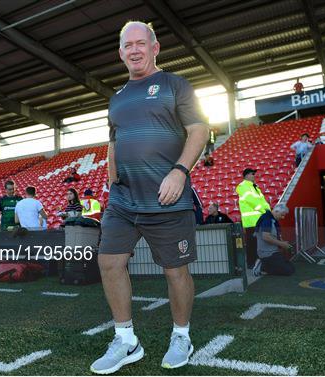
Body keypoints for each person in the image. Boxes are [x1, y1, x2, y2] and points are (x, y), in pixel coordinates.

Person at [91, 21, 209, 374]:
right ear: (121, 52)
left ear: (155, 47)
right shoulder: (117, 97)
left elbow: (199, 129)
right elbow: (113, 142)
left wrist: (179, 171)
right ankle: (126, 341)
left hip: (167, 198)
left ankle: (181, 335)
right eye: (128, 45)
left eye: (142, 43)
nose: (135, 50)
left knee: (175, 271)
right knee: (109, 263)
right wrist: (112, 181)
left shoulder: (175, 85)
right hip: (123, 200)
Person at [236, 168, 271, 268]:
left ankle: (257, 262)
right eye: (252, 174)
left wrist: (267, 211)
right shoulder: (243, 186)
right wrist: (265, 211)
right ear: (246, 176)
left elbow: (263, 201)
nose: (254, 176)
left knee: (258, 243)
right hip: (251, 221)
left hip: (259, 220)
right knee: (252, 244)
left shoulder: (255, 187)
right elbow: (251, 201)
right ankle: (251, 263)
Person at [252, 204, 295, 276]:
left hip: (273, 252)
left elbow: (275, 236)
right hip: (267, 253)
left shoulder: (272, 220)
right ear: (276, 211)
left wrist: (284, 243)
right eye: (282, 215)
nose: (283, 217)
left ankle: (265, 265)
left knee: (291, 268)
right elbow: (266, 237)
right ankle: (261, 266)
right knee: (288, 270)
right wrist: (282, 244)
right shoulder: (267, 220)